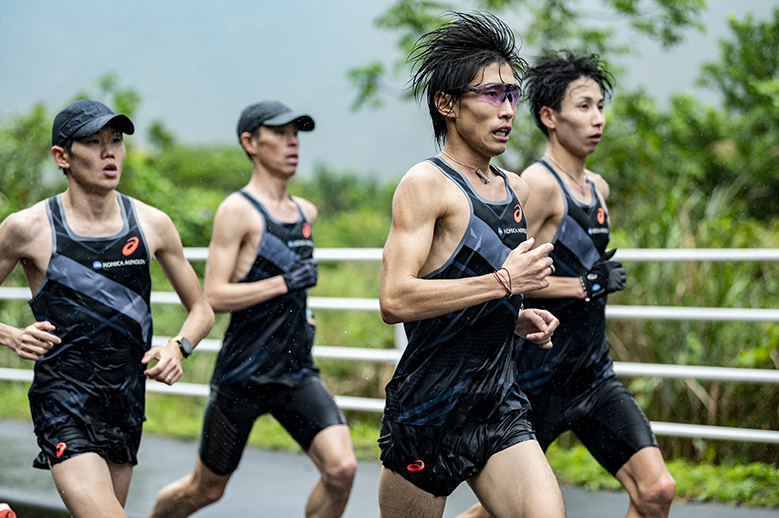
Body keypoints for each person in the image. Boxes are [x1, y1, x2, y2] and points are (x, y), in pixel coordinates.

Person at [459, 52, 677, 518]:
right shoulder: (537, 185)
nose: (597, 118)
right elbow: (506, 280)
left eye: (600, 106)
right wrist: (581, 286)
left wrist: (590, 283)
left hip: (592, 373)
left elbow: (589, 276)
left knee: (656, 491)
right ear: (549, 117)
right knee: (502, 512)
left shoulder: (598, 188)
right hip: (535, 378)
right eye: (583, 106)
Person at [377, 12, 566, 518]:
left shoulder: (516, 189)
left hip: (497, 403)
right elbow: (395, 299)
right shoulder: (426, 184)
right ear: (447, 104)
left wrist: (515, 314)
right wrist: (505, 283)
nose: (507, 110)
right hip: (427, 410)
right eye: (490, 95)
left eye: (512, 95)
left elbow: (481, 293)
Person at [0, 99, 215, 518]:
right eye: (94, 142)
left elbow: (201, 309)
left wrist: (177, 348)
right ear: (62, 156)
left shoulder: (152, 224)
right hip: (62, 399)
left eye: (115, 141)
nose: (109, 152)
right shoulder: (28, 228)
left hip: (124, 399)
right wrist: (11, 335)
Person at [148, 101, 357, 518]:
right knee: (205, 491)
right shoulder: (237, 210)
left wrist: (302, 311)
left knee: (342, 469)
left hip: (296, 372)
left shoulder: (305, 212)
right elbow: (215, 296)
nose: (291, 142)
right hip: (244, 374)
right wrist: (284, 283)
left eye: (295, 133)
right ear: (250, 142)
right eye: (278, 133)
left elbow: (296, 291)